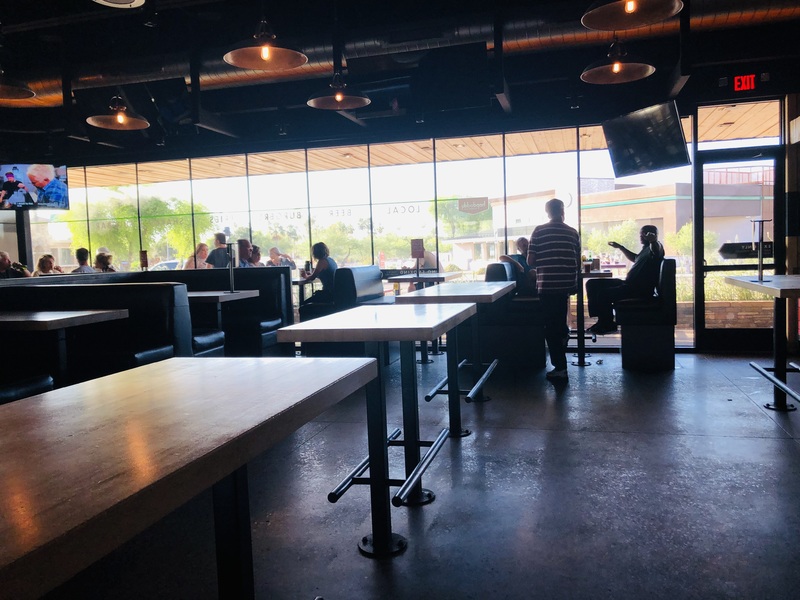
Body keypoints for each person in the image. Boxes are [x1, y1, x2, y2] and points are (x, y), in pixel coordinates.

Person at [527, 198, 580, 382]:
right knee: (559, 320)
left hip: (548, 284)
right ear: (562, 211)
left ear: (547, 212)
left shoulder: (539, 231)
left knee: (550, 327)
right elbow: (577, 260)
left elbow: (531, 261)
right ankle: (565, 333)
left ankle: (560, 368)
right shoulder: (573, 232)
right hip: (566, 285)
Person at [585, 225, 665, 335]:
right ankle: (601, 319)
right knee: (592, 284)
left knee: (604, 294)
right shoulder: (645, 250)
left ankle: (608, 324)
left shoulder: (657, 247)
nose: (641, 236)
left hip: (638, 290)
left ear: (653, 235)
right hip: (629, 284)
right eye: (641, 233)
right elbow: (634, 258)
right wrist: (621, 247)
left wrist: (653, 241)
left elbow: (656, 250)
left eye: (645, 233)